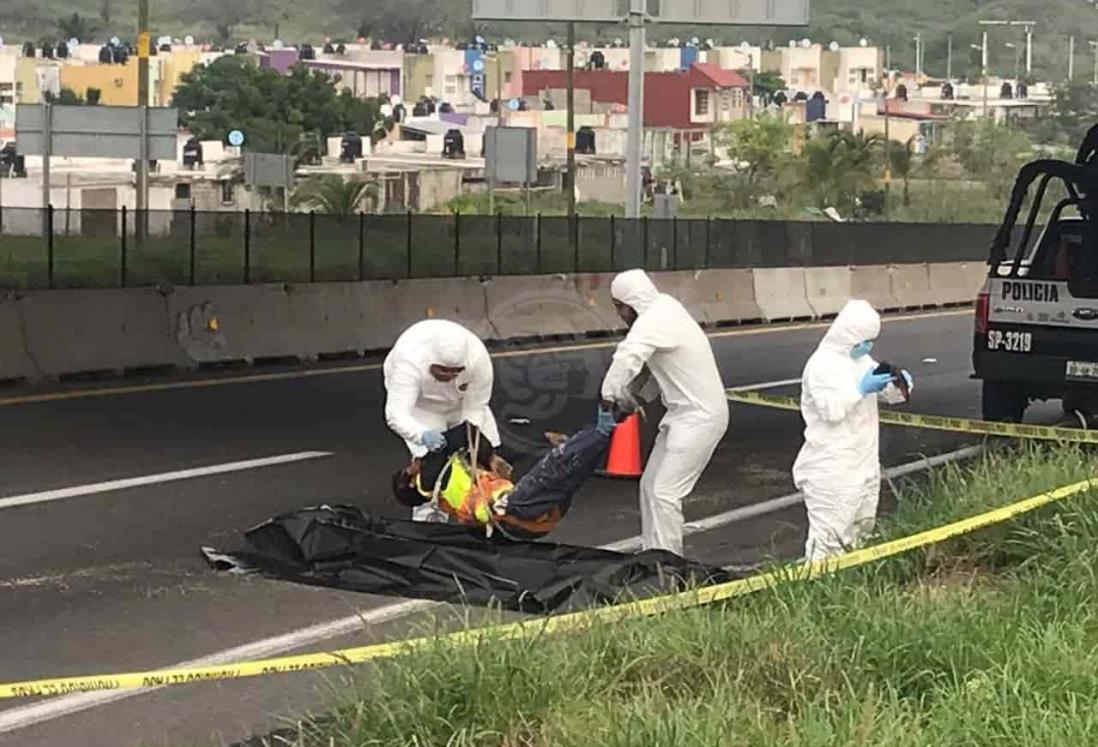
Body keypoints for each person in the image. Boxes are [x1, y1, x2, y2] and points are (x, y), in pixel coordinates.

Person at [599, 269, 729, 556]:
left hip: (700, 418)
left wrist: (609, 395)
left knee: (665, 493)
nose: (619, 314)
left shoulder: (654, 320)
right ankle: (653, 556)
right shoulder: (666, 309)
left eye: (620, 307)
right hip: (683, 416)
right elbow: (660, 370)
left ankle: (669, 565)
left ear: (632, 302)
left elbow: (628, 356)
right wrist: (636, 396)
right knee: (650, 486)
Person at [793, 300, 914, 561]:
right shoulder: (822, 365)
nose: (868, 346)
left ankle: (852, 594)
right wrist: (859, 389)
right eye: (864, 340)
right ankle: (819, 596)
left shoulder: (860, 360)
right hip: (832, 469)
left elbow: (883, 394)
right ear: (848, 336)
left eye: (871, 340)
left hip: (863, 465)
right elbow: (831, 410)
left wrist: (898, 386)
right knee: (827, 546)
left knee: (859, 538)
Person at [391, 412, 617, 539]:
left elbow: (503, 450)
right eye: (407, 470)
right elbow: (466, 431)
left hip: (519, 523)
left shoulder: (449, 495)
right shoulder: (428, 474)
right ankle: (609, 420)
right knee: (560, 465)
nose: (414, 461)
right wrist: (489, 458)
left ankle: (604, 431)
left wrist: (540, 437)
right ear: (411, 482)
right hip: (511, 505)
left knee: (572, 476)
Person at [383, 319, 500, 522]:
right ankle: (430, 524)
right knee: (433, 472)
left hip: (462, 403)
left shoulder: (478, 360)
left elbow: (475, 408)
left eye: (454, 372)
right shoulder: (410, 361)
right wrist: (422, 435)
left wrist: (472, 450)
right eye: (441, 370)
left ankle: (491, 516)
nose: (448, 376)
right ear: (430, 361)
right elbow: (396, 413)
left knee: (487, 463)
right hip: (423, 406)